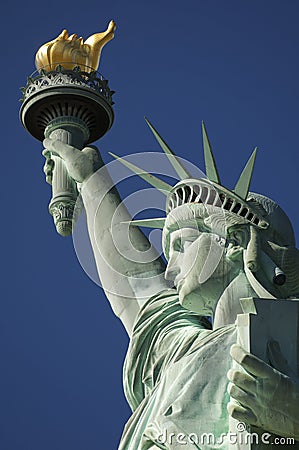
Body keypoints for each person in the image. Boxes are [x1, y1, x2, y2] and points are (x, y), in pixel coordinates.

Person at [43, 120, 299, 449]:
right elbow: (140, 290)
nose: (170, 270)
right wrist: (92, 180)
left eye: (180, 245)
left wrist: (289, 411)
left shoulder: (291, 333)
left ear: (234, 240)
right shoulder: (184, 356)